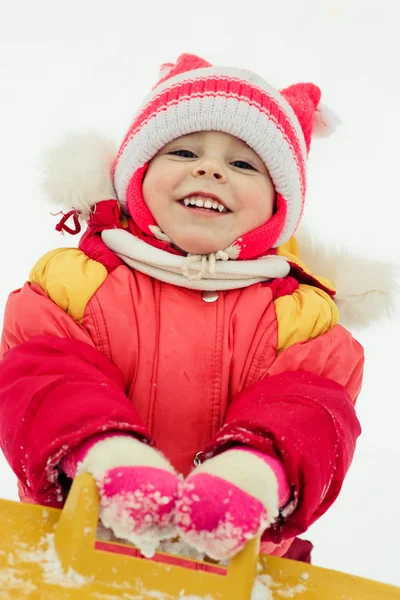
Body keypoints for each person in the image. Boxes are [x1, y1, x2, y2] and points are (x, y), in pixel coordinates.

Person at [0, 53, 365, 563]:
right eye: (183, 151)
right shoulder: (75, 285)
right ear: (136, 175)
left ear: (279, 208)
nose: (209, 168)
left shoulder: (302, 322)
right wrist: (105, 460)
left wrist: (253, 474)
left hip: (235, 570)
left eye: (242, 164)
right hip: (80, 550)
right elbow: (44, 379)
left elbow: (310, 413)